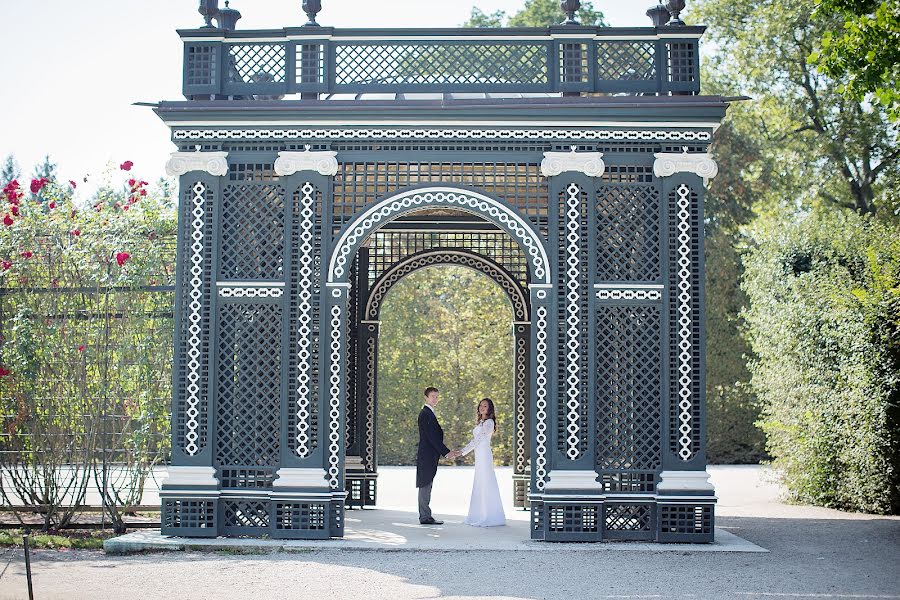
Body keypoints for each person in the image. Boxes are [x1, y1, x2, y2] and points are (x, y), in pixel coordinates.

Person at [456, 398, 506, 527]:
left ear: (490, 409)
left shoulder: (489, 422)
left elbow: (478, 440)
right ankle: (477, 514)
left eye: (485, 406)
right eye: (481, 405)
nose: (482, 408)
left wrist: (462, 451)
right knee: (479, 482)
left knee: (486, 482)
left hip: (484, 455)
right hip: (479, 455)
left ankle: (488, 516)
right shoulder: (481, 422)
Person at [416, 387, 460, 525]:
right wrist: (447, 452)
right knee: (425, 484)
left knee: (427, 484)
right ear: (426, 397)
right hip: (427, 456)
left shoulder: (430, 413)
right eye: (433, 396)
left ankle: (425, 515)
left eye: (437, 397)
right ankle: (424, 516)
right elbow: (432, 438)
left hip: (429, 455)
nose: (435, 399)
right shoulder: (425, 414)